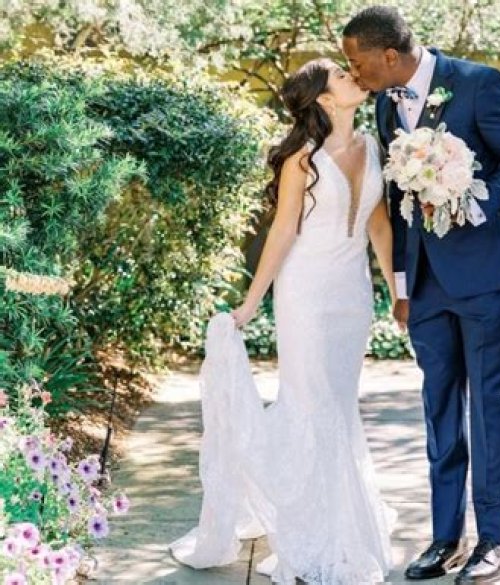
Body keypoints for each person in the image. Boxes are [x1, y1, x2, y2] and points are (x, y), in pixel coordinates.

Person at [169, 57, 396, 585]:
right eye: (340, 76)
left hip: (352, 297)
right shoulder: (302, 158)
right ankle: (314, 532)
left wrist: (398, 295)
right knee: (314, 405)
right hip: (306, 295)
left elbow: (380, 228)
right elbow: (283, 232)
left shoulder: (372, 147)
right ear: (324, 99)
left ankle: (339, 522)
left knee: (340, 404)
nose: (352, 77)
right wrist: (252, 303)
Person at [342, 6, 500, 584]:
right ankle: (444, 538)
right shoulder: (386, 104)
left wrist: (474, 201)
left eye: (356, 62)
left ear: (389, 55)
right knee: (438, 407)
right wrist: (403, 285)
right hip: (427, 282)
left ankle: (494, 541)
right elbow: (398, 203)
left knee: (491, 403)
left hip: (489, 273)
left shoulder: (479, 83)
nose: (353, 73)